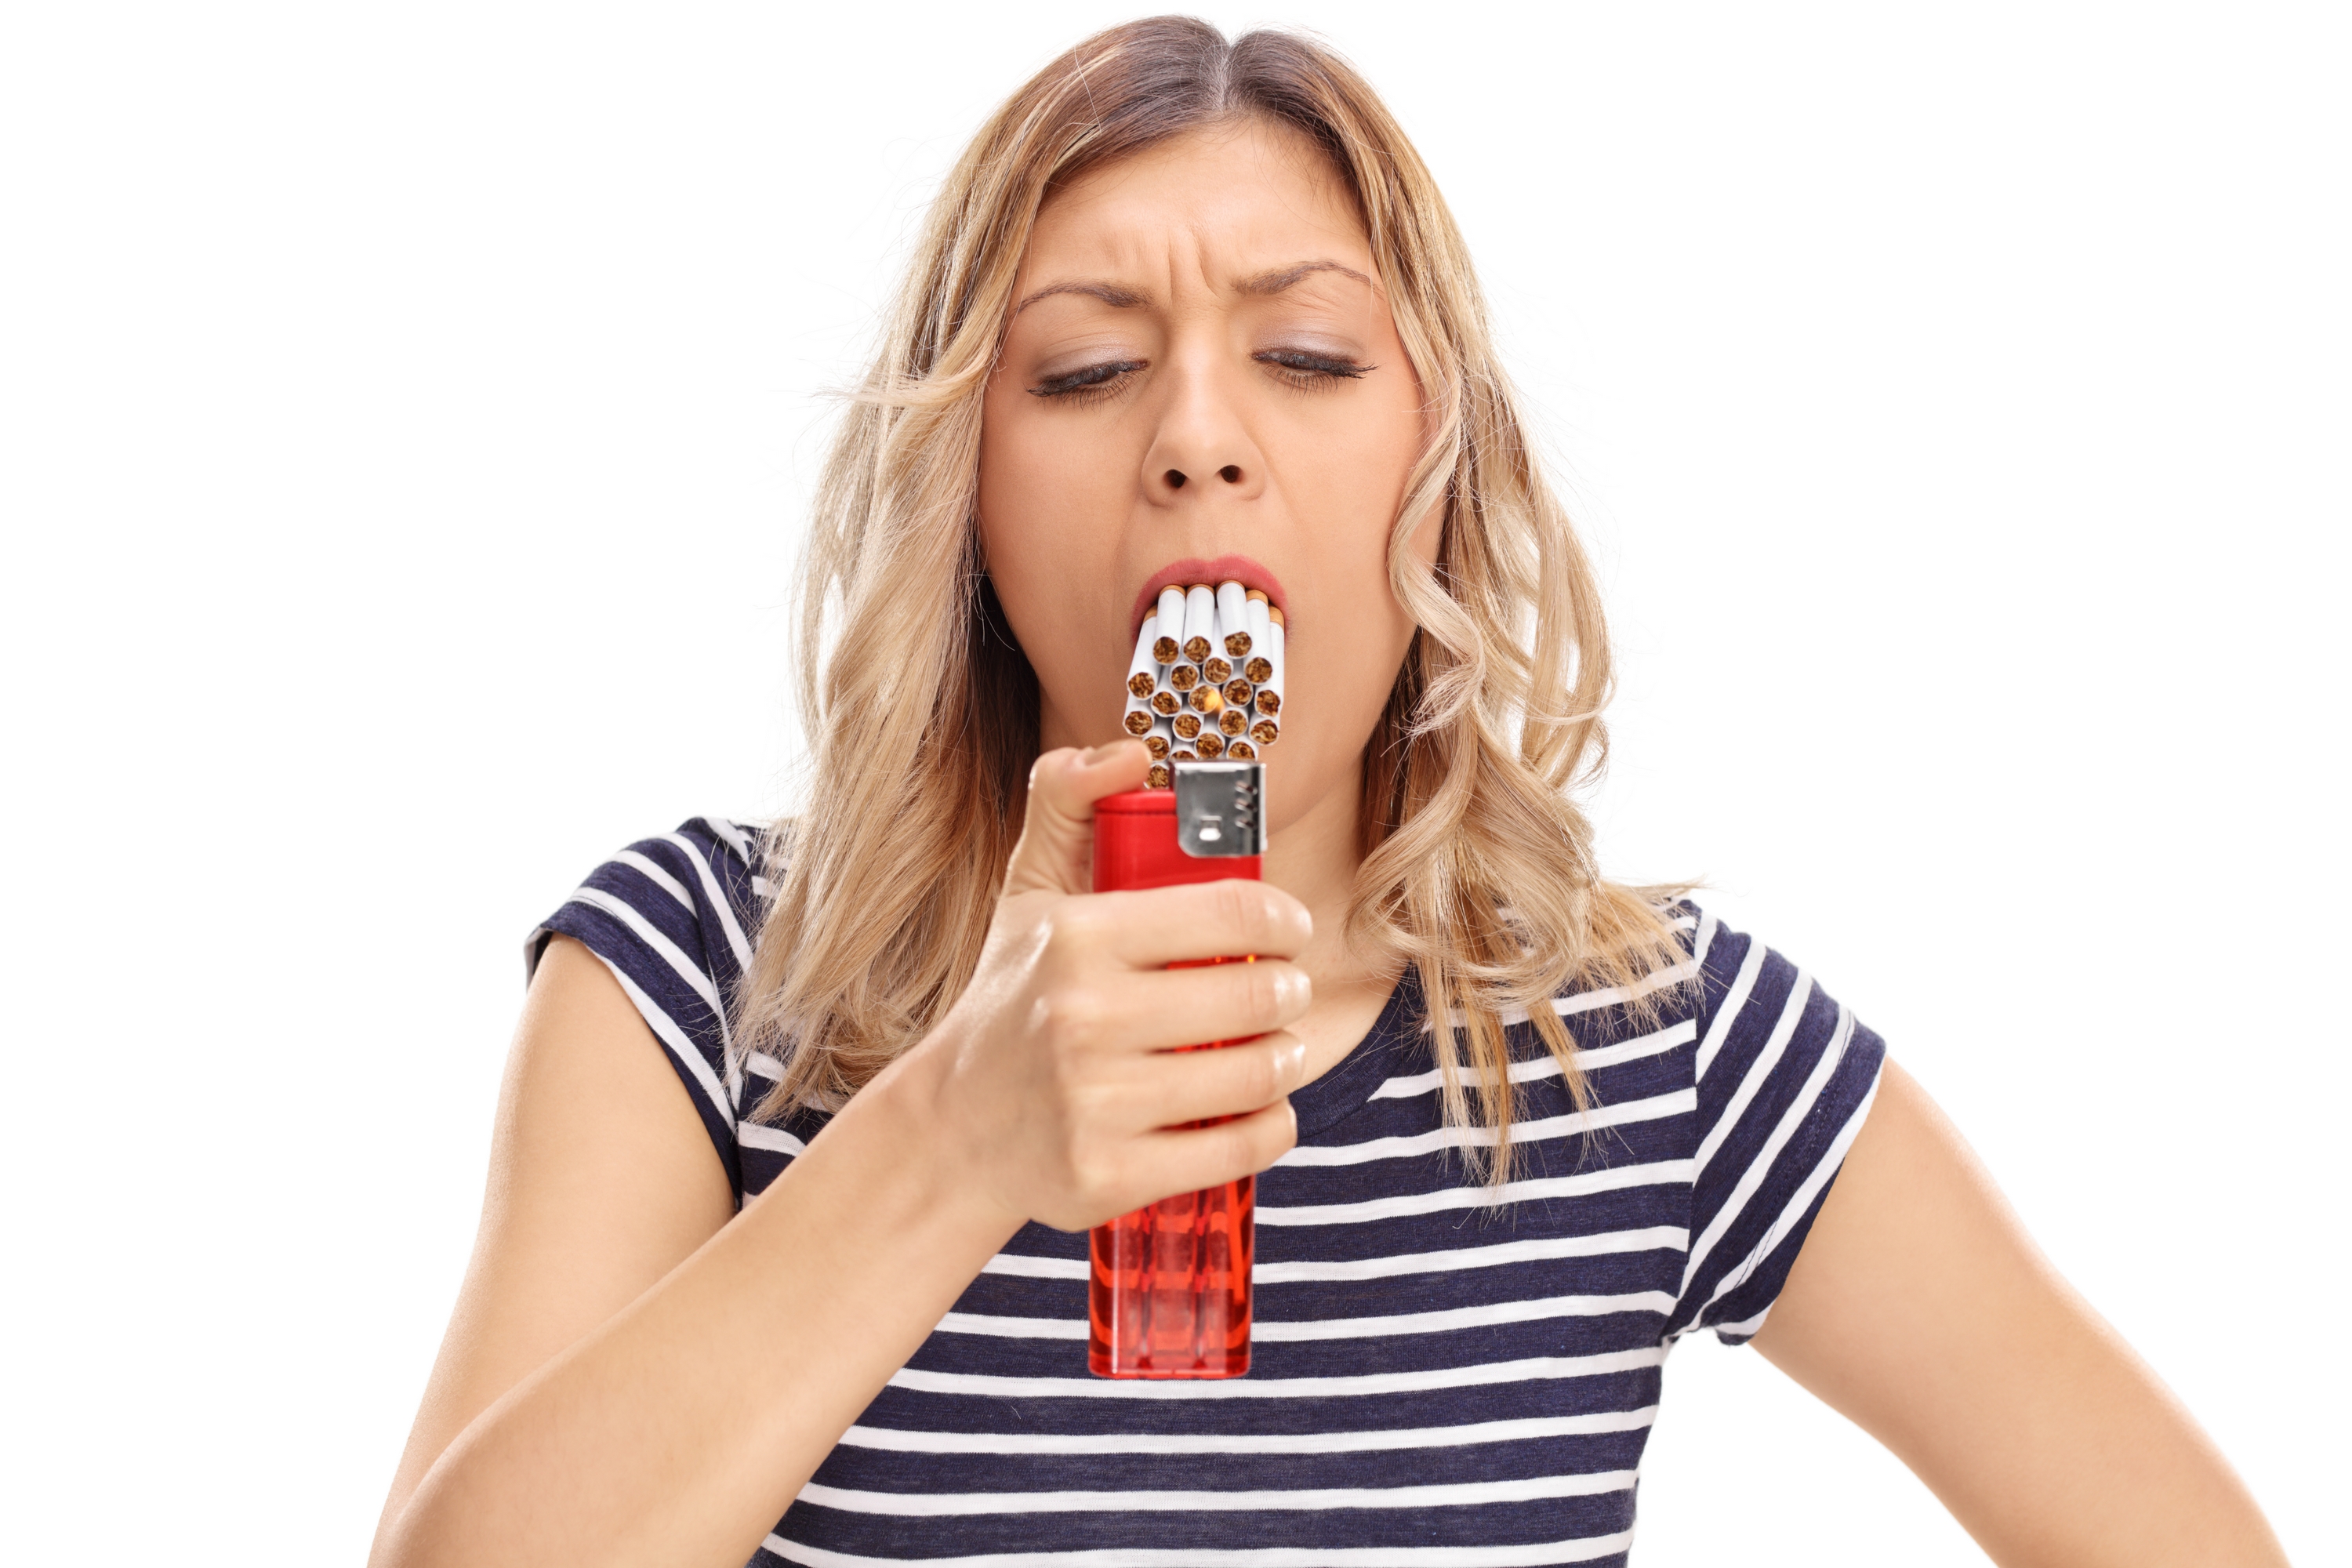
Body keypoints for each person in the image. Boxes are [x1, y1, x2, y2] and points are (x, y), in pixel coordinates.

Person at [368, 18, 2289, 1568]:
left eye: (1300, 356)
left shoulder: (1656, 1047)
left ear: (1437, 469)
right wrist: (946, 1143)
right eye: (1088, 370)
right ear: (963, 489)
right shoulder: (694, 982)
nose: (1199, 437)